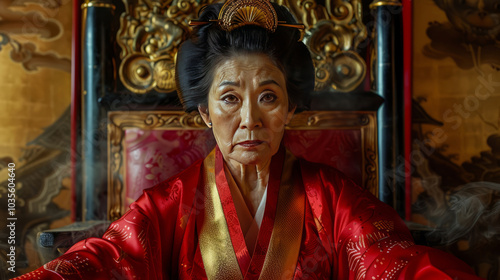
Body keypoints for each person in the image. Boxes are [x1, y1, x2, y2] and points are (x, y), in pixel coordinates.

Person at [16, 0, 483, 279]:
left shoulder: (334, 200)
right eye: (229, 98)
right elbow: (108, 260)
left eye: (268, 97)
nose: (249, 119)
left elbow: (392, 263)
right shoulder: (171, 205)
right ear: (203, 112)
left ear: (291, 109)